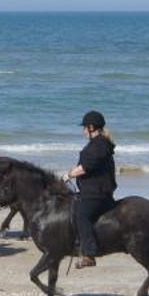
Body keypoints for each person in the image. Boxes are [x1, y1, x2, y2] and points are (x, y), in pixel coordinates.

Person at [65, 110, 117, 268]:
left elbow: (86, 167)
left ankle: (89, 254)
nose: (83, 131)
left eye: (84, 128)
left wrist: (68, 175)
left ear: (91, 127)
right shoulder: (100, 143)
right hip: (96, 191)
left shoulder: (99, 144)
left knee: (82, 214)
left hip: (97, 194)